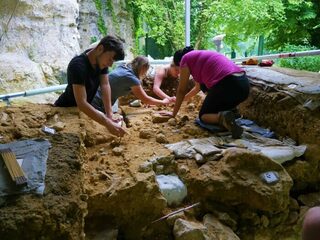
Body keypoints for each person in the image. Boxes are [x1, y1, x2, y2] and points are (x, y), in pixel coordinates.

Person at [163, 47, 250, 139]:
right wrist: (183, 99)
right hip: (243, 86)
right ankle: (232, 111)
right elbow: (197, 88)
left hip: (227, 84)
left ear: (179, 64)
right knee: (203, 85)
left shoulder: (185, 59)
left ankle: (223, 118)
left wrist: (173, 114)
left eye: (179, 69)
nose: (180, 72)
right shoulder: (201, 57)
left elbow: (181, 90)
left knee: (204, 116)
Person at [54, 35, 126, 137]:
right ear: (100, 49)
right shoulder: (78, 65)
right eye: (110, 59)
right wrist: (107, 122)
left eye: (113, 61)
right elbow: (82, 103)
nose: (110, 65)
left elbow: (105, 85)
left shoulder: (101, 62)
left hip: (82, 111)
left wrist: (109, 114)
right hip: (65, 109)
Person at [91, 56, 170, 112]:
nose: (145, 73)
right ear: (143, 68)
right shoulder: (131, 78)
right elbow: (145, 99)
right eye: (145, 70)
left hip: (93, 96)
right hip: (98, 103)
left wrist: (149, 102)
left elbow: (142, 96)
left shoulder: (124, 66)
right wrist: (163, 102)